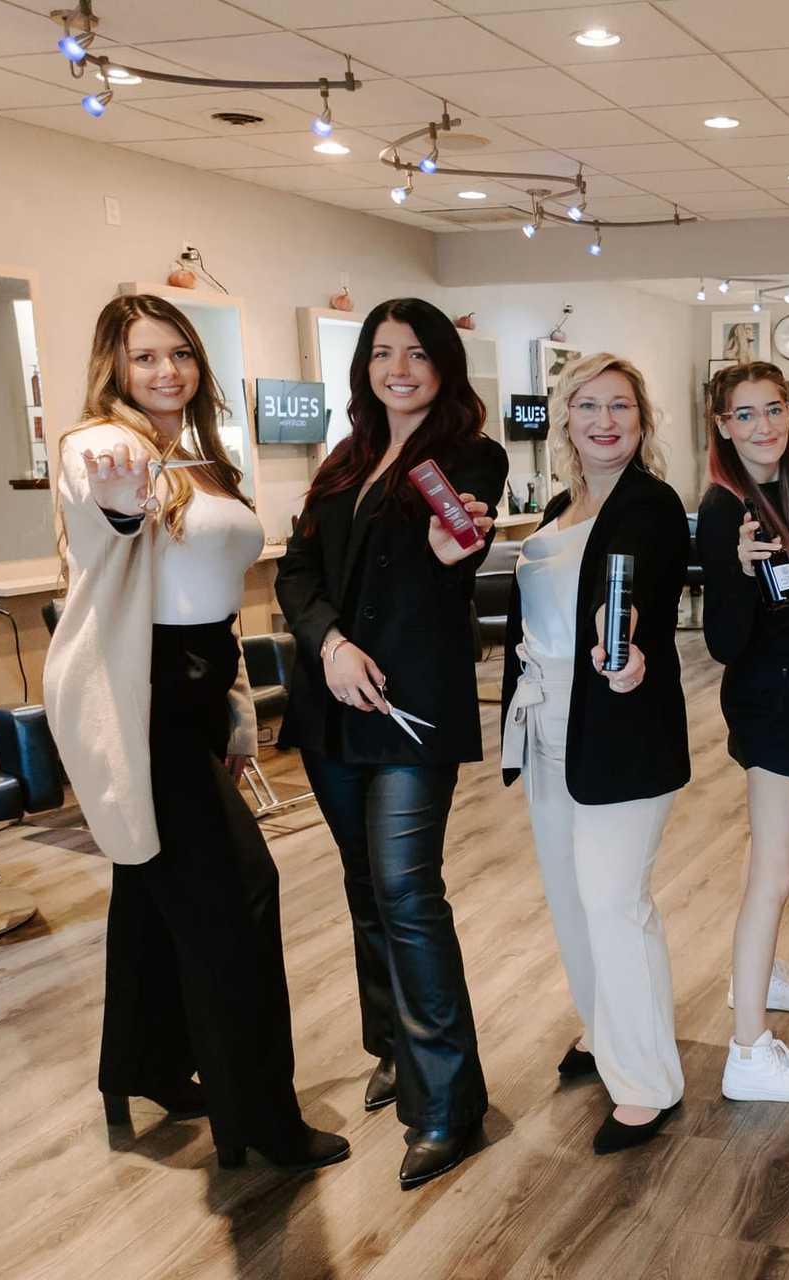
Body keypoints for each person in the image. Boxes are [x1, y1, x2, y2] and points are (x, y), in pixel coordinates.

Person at [43, 294, 348, 1175]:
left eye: (179, 353)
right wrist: (119, 507)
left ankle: (140, 1065)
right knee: (239, 895)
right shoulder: (103, 446)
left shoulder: (200, 455)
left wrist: (235, 709)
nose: (167, 370)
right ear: (116, 366)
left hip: (200, 685)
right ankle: (260, 1121)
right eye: (145, 358)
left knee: (152, 885)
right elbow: (106, 517)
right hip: (146, 698)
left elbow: (215, 595)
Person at [275, 297, 503, 1190]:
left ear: (444, 364)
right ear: (364, 368)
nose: (398, 367)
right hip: (333, 703)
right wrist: (329, 643)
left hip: (410, 709)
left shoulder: (467, 457)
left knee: (409, 891)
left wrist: (458, 555)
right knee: (364, 884)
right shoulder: (345, 460)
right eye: (381, 353)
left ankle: (449, 1104)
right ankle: (392, 1049)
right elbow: (295, 572)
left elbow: (450, 557)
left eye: (415, 352)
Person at [500, 352, 693, 1154]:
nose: (606, 421)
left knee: (616, 902)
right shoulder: (556, 505)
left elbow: (642, 599)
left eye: (621, 407)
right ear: (565, 418)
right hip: (547, 727)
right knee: (571, 899)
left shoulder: (651, 504)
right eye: (589, 406)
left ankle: (648, 1081)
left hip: (619, 728)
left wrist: (634, 659)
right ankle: (603, 1030)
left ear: (641, 421)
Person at [698, 361, 789, 1105]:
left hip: (786, 695)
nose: (764, 426)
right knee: (776, 868)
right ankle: (749, 1046)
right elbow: (724, 639)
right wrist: (741, 572)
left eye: (773, 410)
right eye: (745, 415)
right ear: (722, 425)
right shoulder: (727, 510)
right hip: (768, 700)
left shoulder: (781, 494)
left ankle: (762, 971)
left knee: (773, 858)